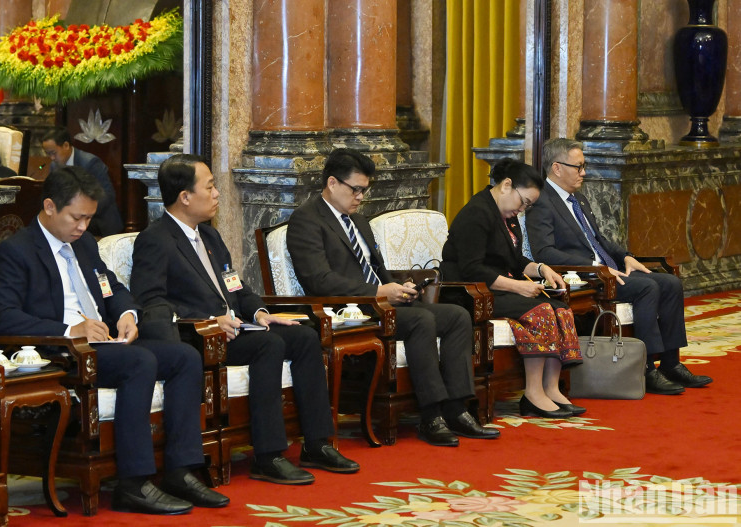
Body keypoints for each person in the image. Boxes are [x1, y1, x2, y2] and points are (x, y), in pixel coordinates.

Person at [0, 166, 229, 515]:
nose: (83, 227)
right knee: (140, 362)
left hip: (105, 345)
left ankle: (180, 470)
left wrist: (127, 313)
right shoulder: (17, 250)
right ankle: (133, 484)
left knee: (184, 357)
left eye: (89, 218)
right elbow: (4, 318)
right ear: (50, 206)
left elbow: (112, 288)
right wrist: (71, 329)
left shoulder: (85, 244)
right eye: (77, 218)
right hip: (60, 352)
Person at [129, 154, 359, 485]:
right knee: (268, 345)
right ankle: (268, 455)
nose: (217, 193)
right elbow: (151, 303)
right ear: (185, 197)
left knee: (303, 336)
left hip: (237, 329)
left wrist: (260, 312)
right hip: (199, 338)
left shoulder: (209, 236)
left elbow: (236, 286)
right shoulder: (155, 239)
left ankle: (317, 443)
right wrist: (209, 320)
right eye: (210, 187)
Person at [287, 148, 499, 446]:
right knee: (421, 319)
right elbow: (318, 280)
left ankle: (457, 408)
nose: (360, 197)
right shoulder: (306, 220)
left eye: (365, 190)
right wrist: (379, 292)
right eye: (355, 189)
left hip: (381, 304)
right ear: (332, 183)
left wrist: (399, 287)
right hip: (348, 311)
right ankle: (431, 416)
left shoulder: (358, 221)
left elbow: (376, 270)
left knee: (456, 315)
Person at [525, 137, 712, 394]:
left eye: (584, 166)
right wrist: (595, 266)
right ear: (557, 168)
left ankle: (671, 363)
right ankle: (647, 369)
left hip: (609, 272)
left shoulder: (577, 199)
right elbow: (544, 252)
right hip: (586, 278)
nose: (584, 172)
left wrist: (625, 256)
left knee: (670, 283)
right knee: (647, 288)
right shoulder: (542, 202)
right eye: (578, 167)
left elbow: (598, 240)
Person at [440, 158, 585, 419]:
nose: (522, 209)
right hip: (471, 293)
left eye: (527, 206)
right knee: (541, 311)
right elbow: (473, 270)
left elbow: (515, 261)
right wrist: (518, 287)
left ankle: (551, 388)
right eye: (523, 202)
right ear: (507, 185)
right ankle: (533, 394)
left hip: (498, 289)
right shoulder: (477, 213)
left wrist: (541, 269)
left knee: (561, 309)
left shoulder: (508, 216)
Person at [41, 127, 123, 237]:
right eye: (48, 154)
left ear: (66, 145)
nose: (52, 158)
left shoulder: (90, 162)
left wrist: (80, 212)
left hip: (99, 221)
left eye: (53, 153)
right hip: (70, 219)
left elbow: (108, 195)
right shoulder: (54, 166)